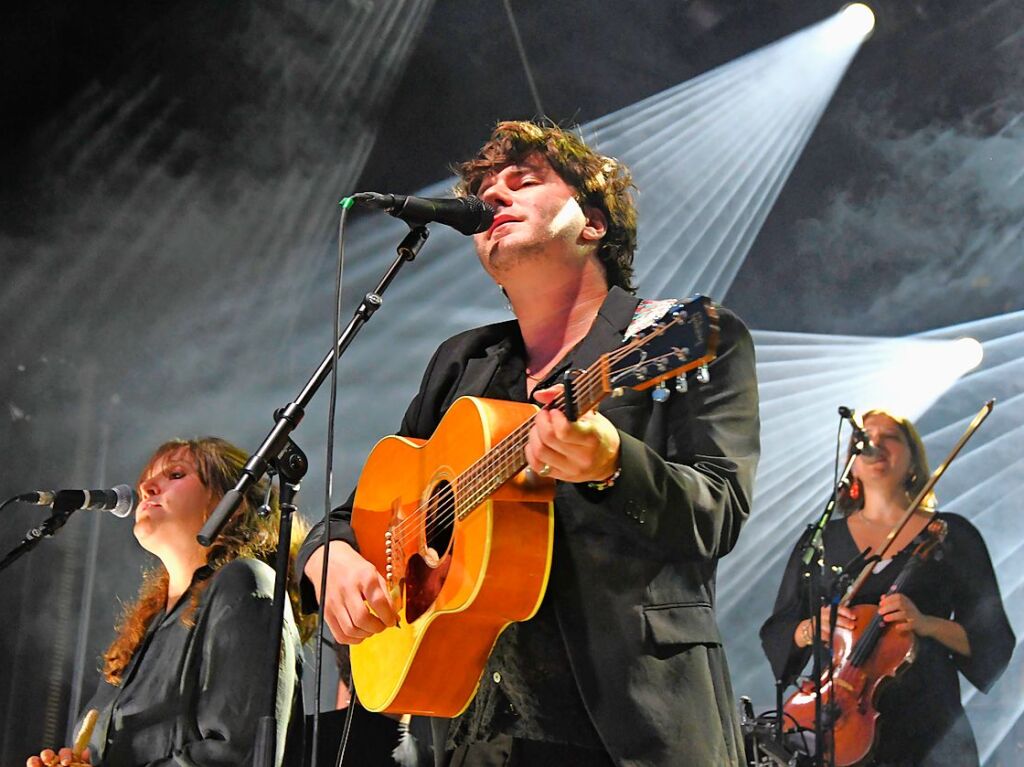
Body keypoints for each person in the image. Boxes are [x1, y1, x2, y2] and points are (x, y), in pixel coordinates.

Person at [298, 120, 760, 766]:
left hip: (629, 727)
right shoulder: (464, 362)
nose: (494, 198)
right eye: (485, 190)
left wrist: (611, 464)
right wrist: (328, 558)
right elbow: (359, 516)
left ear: (593, 224)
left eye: (523, 181)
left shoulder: (677, 337)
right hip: (477, 731)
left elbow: (718, 511)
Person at [27, 436, 314, 767]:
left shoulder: (244, 584)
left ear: (234, 505)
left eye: (176, 475)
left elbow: (237, 753)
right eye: (148, 478)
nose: (147, 486)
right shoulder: (146, 630)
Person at [760, 410, 1015, 766]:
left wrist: (925, 623)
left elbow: (992, 639)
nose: (875, 446)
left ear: (912, 458)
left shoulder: (950, 535)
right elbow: (780, 629)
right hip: (834, 723)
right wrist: (810, 629)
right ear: (852, 464)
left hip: (929, 728)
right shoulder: (821, 540)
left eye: (890, 438)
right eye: (865, 440)